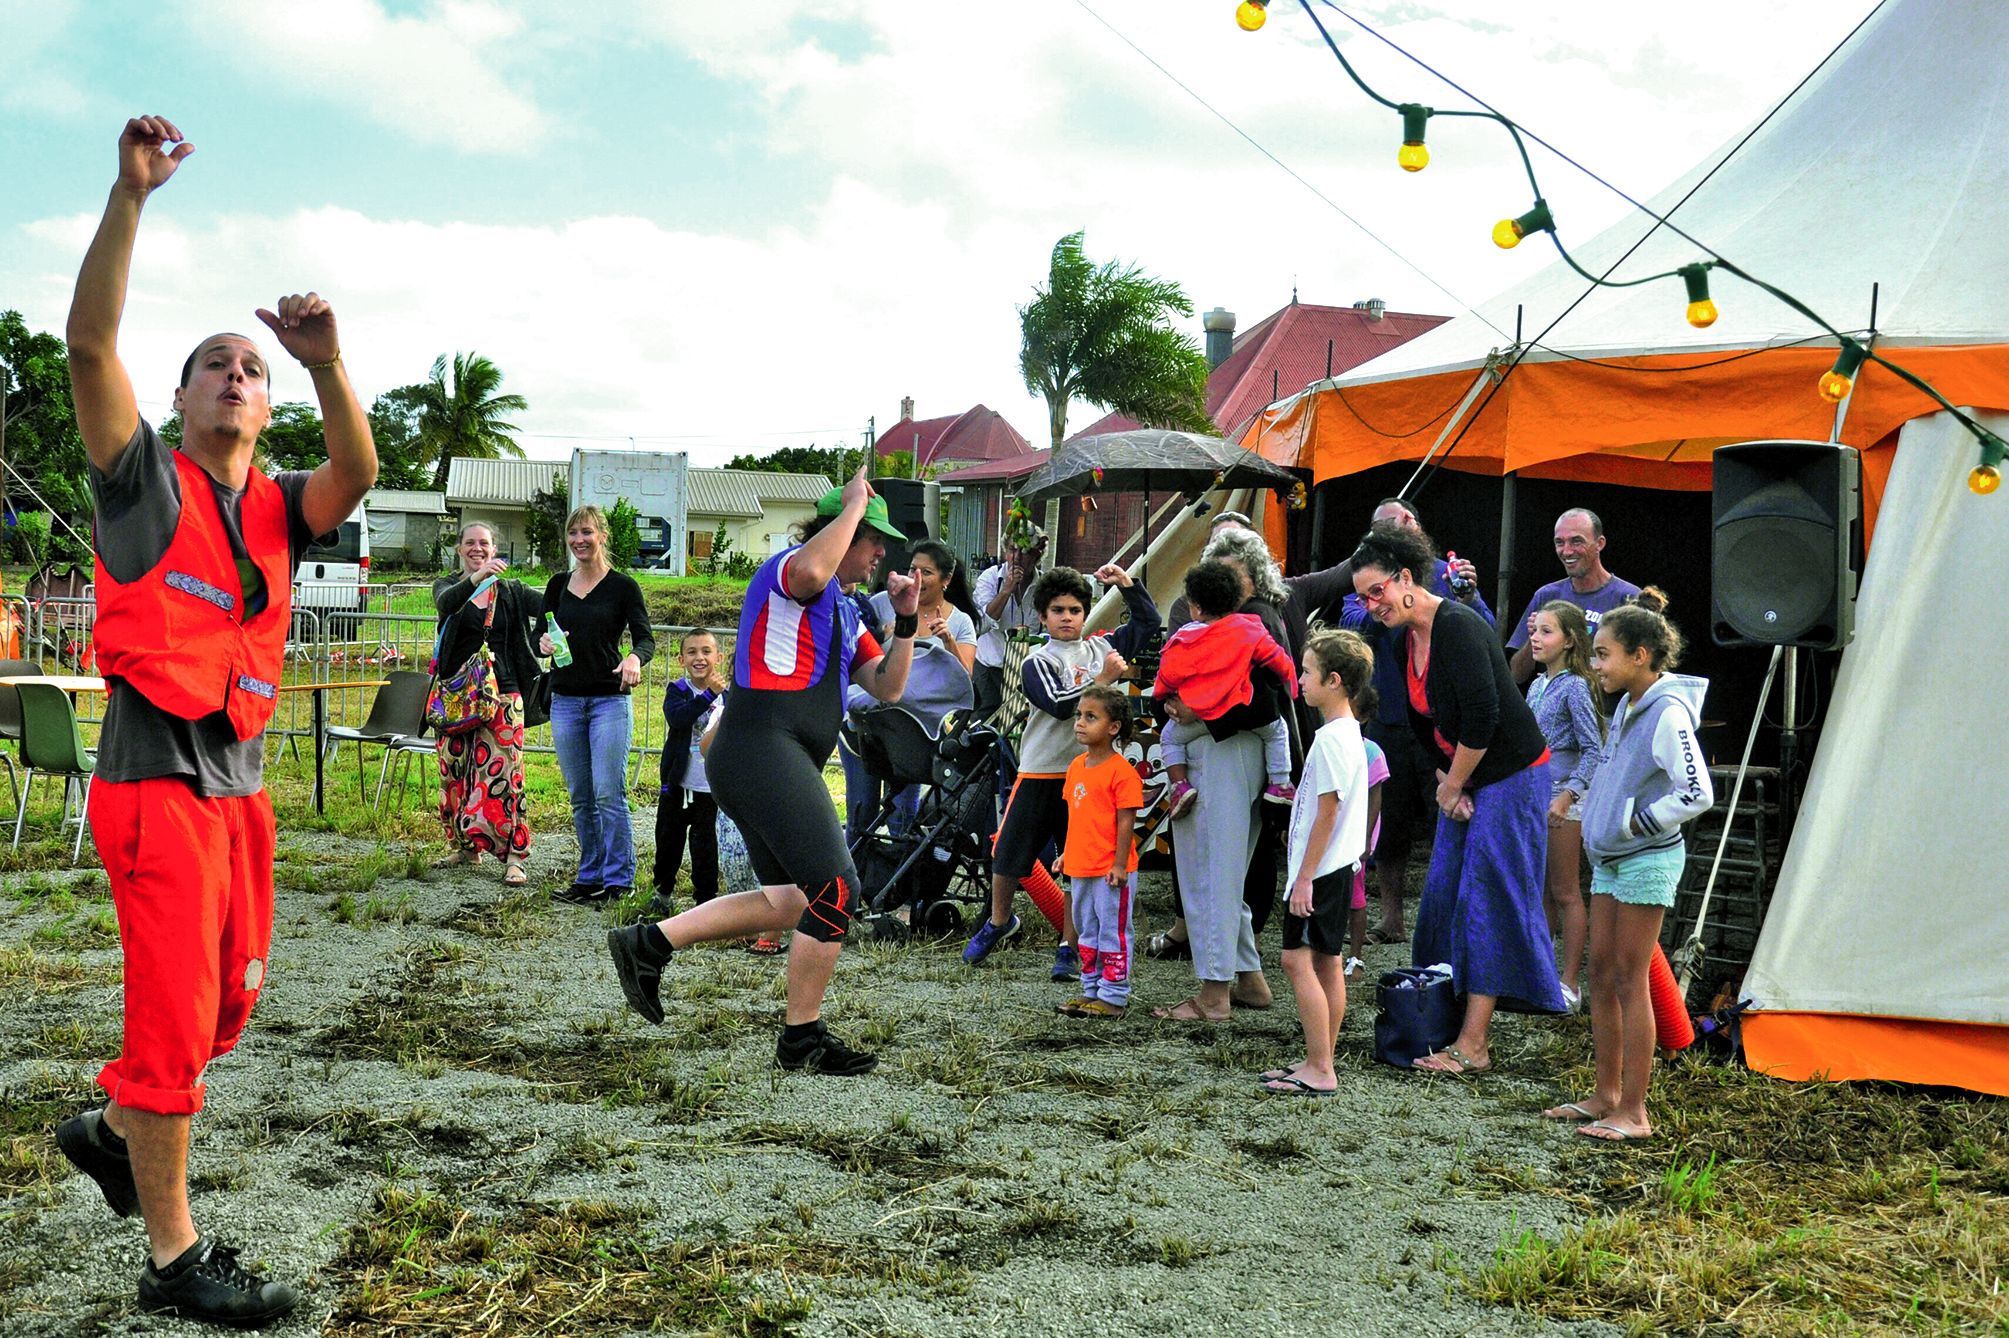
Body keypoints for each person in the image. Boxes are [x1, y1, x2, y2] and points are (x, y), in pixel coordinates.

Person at [57, 115, 376, 1326]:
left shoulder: (282, 508)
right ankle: (174, 1261)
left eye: (251, 369)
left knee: (230, 1003)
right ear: (181, 399)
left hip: (239, 789)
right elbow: (89, 347)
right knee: (175, 1016)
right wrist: (130, 196)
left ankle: (112, 1128)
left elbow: (357, 471)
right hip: (156, 780)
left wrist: (328, 361)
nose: (236, 377)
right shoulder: (142, 481)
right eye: (214, 365)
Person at [606, 465, 918, 1075]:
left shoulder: (847, 613)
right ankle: (801, 1038)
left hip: (767, 755)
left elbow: (889, 688)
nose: (880, 550)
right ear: (838, 530)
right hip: (759, 746)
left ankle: (650, 942)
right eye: (870, 537)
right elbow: (811, 570)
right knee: (837, 892)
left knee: (791, 900)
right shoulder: (786, 572)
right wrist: (854, 501)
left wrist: (905, 621)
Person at [1349, 524, 1566, 1073]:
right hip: (1467, 773)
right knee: (1444, 891)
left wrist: (1452, 784)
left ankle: (1475, 1044)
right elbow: (1420, 720)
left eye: (1376, 591)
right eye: (1361, 597)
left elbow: (1485, 716)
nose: (1370, 604)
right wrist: (1452, 782)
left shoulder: (1460, 626)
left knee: (1485, 895)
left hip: (1514, 773)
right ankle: (1439, 1019)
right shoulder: (1401, 637)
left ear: (1405, 579)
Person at [1546, 594, 1712, 1142]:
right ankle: (1606, 1095)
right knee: (1601, 973)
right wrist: (1587, 805)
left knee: (1629, 978)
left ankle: (1635, 1112)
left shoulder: (1667, 712)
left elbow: (1697, 792)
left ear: (1641, 656)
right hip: (1614, 861)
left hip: (1646, 860)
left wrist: (1636, 825)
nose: (1595, 666)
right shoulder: (1627, 706)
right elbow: (1618, 774)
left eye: (1603, 655)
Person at [962, 561, 1160, 980]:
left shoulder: (1100, 647)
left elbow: (1148, 622)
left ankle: (1069, 946)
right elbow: (1057, 704)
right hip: (1040, 770)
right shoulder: (1038, 659)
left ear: (1086, 614)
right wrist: (1102, 682)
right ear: (1042, 616)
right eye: (1058, 610)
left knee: (1078, 865)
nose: (1067, 617)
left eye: (1074, 610)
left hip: (1087, 776)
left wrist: (1127, 584)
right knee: (1008, 854)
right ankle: (999, 922)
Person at [1338, 498, 1493, 948]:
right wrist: (1390, 600)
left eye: (1401, 525)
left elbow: (1485, 628)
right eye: (1382, 527)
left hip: (1444, 725)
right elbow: (1355, 621)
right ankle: (1391, 918)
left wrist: (1468, 595)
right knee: (1389, 824)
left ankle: (1453, 918)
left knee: (1454, 814)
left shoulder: (1446, 576)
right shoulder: (1366, 581)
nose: (1392, 533)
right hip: (1389, 718)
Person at [1259, 630, 1374, 1096]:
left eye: (1307, 672)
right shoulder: (1348, 733)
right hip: (1339, 866)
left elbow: (1327, 810)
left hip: (1322, 871)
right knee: (1328, 961)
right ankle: (1318, 1057)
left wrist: (1303, 877)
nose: (1299, 681)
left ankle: (1321, 1068)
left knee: (1295, 960)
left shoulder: (1330, 740)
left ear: (1334, 680)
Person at [541, 506, 655, 905]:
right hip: (566, 702)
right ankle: (589, 876)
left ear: (602, 536)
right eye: (573, 534)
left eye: (586, 532)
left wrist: (634, 659)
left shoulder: (624, 587)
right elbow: (542, 633)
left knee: (609, 793)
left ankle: (619, 880)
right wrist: (544, 644)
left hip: (609, 702)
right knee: (581, 796)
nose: (579, 541)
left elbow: (646, 638)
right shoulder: (557, 585)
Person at [433, 523, 540, 886]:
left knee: (505, 775)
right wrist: (476, 578)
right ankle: (465, 847)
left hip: (505, 694)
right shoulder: (447, 586)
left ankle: (514, 856)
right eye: (470, 543)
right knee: (454, 774)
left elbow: (552, 607)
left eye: (484, 543)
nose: (477, 548)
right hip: (456, 696)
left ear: (495, 549)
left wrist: (546, 640)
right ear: (460, 549)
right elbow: (446, 606)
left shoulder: (511, 591)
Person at [1153, 560, 1299, 814]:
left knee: (1169, 738)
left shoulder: (1184, 638)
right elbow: (1279, 661)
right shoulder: (1251, 628)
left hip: (1198, 718)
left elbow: (1168, 675)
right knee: (1277, 732)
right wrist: (1292, 685)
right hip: (1245, 710)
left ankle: (1179, 786)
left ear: (1197, 608)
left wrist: (1164, 697)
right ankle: (1280, 783)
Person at [1524, 600, 1608, 1009]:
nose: (1536, 638)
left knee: (1566, 890)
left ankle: (1570, 982)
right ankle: (1541, 972)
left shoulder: (1576, 685)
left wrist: (1569, 793)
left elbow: (1594, 748)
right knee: (1538, 889)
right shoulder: (1537, 685)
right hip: (1536, 794)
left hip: (1564, 800)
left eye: (1546, 631)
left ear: (1570, 640)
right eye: (1535, 629)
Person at [1056, 685, 1143, 1019]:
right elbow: (1076, 817)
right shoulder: (1077, 766)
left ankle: (1114, 996)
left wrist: (1120, 865)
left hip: (1110, 872)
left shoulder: (1122, 772)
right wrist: (1066, 853)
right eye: (1079, 715)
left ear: (1113, 727)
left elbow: (1126, 822)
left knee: (1113, 931)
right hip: (1081, 867)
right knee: (1085, 929)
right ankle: (1091, 990)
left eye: (1090, 717)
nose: (1080, 722)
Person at [1507, 508, 1641, 685]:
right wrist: (1535, 636)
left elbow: (1646, 672)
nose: (1567, 551)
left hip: (1609, 710)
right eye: (1559, 542)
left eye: (1576, 541)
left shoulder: (1629, 598)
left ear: (1600, 543)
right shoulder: (1546, 596)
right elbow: (1516, 675)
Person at [650, 629, 727, 914]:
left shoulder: (728, 697)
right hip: (678, 784)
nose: (700, 658)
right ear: (681, 659)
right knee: (668, 840)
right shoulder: (678, 691)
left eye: (706, 651)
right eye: (692, 652)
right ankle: (662, 893)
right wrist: (708, 695)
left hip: (710, 787)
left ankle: (705, 900)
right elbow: (678, 718)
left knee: (705, 844)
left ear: (718, 657)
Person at [971, 541, 1042, 720]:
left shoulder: (1044, 584)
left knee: (1018, 724)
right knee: (983, 721)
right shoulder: (990, 577)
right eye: (1012, 550)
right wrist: (1006, 591)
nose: (1016, 558)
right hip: (990, 666)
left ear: (1037, 556)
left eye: (1024, 552)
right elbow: (983, 624)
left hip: (1024, 671)